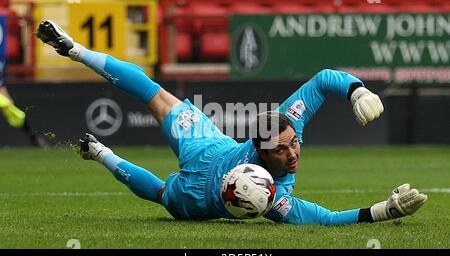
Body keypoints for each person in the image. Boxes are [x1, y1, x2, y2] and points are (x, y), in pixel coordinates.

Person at [35, 20, 427, 225]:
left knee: (154, 98)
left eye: (294, 143)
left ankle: (100, 149)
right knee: (158, 188)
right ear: (259, 149)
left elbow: (326, 77)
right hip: (200, 191)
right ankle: (78, 54)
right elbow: (324, 219)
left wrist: (357, 90)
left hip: (206, 148)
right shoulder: (275, 202)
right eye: (283, 149)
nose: (293, 152)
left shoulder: (285, 125)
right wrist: (381, 213)